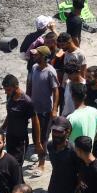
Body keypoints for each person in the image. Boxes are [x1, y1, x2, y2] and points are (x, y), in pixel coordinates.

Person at [27, 45, 58, 176]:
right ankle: (38, 151)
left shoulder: (50, 71)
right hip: (34, 109)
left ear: (44, 57)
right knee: (35, 134)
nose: (34, 56)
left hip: (45, 110)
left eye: (37, 54)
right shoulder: (34, 68)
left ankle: (42, 164)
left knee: (44, 137)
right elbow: (30, 85)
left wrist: (55, 108)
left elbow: (56, 91)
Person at [1, 74, 39, 169]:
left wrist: (37, 142)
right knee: (9, 164)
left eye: (8, 90)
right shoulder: (9, 97)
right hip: (10, 137)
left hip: (20, 141)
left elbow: (35, 122)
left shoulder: (27, 102)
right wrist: (2, 129)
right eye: (5, 90)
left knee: (17, 166)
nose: (6, 92)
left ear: (16, 87)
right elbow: (9, 114)